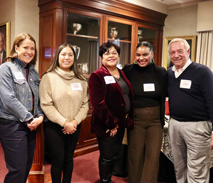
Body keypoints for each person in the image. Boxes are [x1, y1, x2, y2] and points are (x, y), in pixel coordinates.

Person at [0, 33, 44, 183]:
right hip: (12, 124)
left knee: (26, 166)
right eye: (25, 47)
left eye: (32, 49)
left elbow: (38, 98)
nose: (29, 51)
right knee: (17, 169)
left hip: (31, 125)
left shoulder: (34, 71)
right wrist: (29, 118)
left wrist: (40, 115)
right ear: (16, 48)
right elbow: (8, 99)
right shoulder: (6, 68)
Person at [39, 43, 89, 183]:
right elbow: (46, 105)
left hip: (74, 126)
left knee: (68, 159)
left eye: (70, 55)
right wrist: (64, 123)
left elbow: (85, 104)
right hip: (55, 127)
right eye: (63, 54)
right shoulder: (48, 77)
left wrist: (73, 122)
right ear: (57, 57)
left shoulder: (81, 80)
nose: (67, 57)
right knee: (58, 160)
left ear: (74, 58)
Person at [167, 38, 213, 183]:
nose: (176, 55)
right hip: (174, 125)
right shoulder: (169, 73)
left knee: (197, 169)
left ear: (188, 51)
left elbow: (212, 100)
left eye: (180, 51)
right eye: (172, 52)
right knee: (179, 166)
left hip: (197, 126)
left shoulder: (202, 71)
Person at [89, 41, 134, 183]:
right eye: (107, 53)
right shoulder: (97, 75)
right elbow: (98, 104)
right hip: (106, 124)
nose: (111, 56)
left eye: (114, 53)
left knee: (115, 154)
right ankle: (105, 180)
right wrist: (111, 124)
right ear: (101, 57)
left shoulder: (122, 73)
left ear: (119, 56)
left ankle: (108, 178)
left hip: (121, 123)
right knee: (107, 156)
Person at [122, 41, 167, 183]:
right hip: (136, 119)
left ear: (152, 54)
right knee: (135, 155)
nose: (141, 58)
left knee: (152, 156)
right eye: (138, 55)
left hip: (155, 120)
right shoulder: (128, 70)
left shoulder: (161, 72)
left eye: (145, 54)